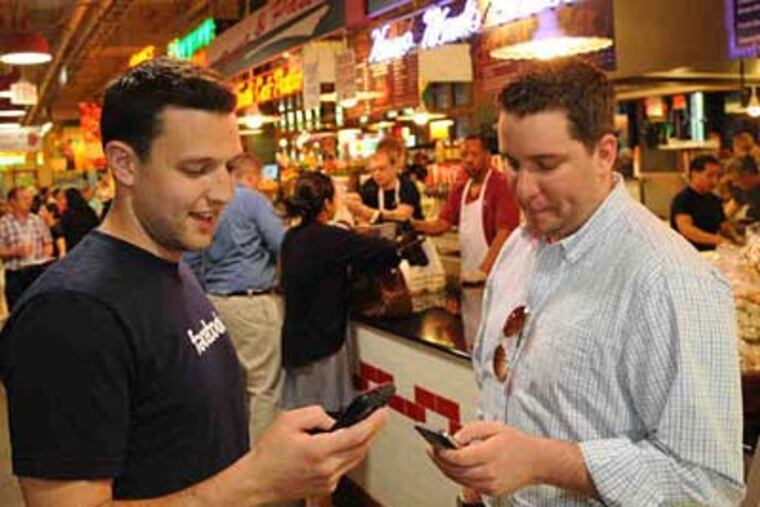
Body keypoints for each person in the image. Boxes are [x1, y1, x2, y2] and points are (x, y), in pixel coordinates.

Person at [0, 57, 387, 506]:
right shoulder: (71, 314)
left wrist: (266, 456)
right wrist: (257, 481)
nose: (223, 191)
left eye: (227, 167)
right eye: (196, 169)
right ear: (124, 164)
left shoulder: (171, 261)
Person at [426, 58, 744, 506]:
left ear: (605, 154)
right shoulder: (518, 250)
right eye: (512, 164)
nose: (523, 189)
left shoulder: (671, 281)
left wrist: (542, 461)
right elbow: (502, 392)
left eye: (546, 164)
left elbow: (707, 483)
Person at [184, 152, 286, 445]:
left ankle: (235, 457)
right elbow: (282, 243)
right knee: (263, 387)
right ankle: (262, 472)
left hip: (216, 303)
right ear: (250, 177)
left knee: (234, 386)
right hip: (252, 303)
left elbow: (190, 260)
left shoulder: (205, 204)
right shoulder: (251, 200)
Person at [281, 172, 400, 415]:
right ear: (327, 204)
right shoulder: (328, 237)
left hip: (296, 343)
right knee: (325, 419)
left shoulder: (292, 237)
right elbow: (387, 251)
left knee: (302, 417)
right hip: (320, 345)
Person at [413, 133, 520, 283]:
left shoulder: (502, 185)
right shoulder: (460, 188)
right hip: (469, 272)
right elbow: (441, 224)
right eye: (464, 155)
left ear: (488, 156)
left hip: (500, 274)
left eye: (474, 154)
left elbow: (505, 232)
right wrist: (413, 225)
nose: (469, 159)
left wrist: (483, 271)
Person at [670, 154, 741, 250]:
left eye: (718, 176)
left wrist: (738, 240)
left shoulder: (714, 199)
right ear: (694, 174)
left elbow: (724, 226)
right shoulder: (683, 199)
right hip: (688, 253)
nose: (715, 181)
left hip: (712, 253)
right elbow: (686, 229)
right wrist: (718, 240)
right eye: (710, 175)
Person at [346, 136, 423, 223]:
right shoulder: (369, 186)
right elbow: (359, 216)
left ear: (394, 166)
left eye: (382, 169)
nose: (377, 174)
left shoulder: (407, 186)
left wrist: (367, 211)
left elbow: (403, 215)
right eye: (373, 170)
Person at [0, 186, 54, 309]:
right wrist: (14, 251)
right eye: (24, 198)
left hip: (37, 270)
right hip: (16, 273)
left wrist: (46, 255)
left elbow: (48, 242)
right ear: (12, 202)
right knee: (18, 310)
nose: (29, 202)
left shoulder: (37, 220)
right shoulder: (3, 223)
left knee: (39, 308)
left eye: (30, 198)